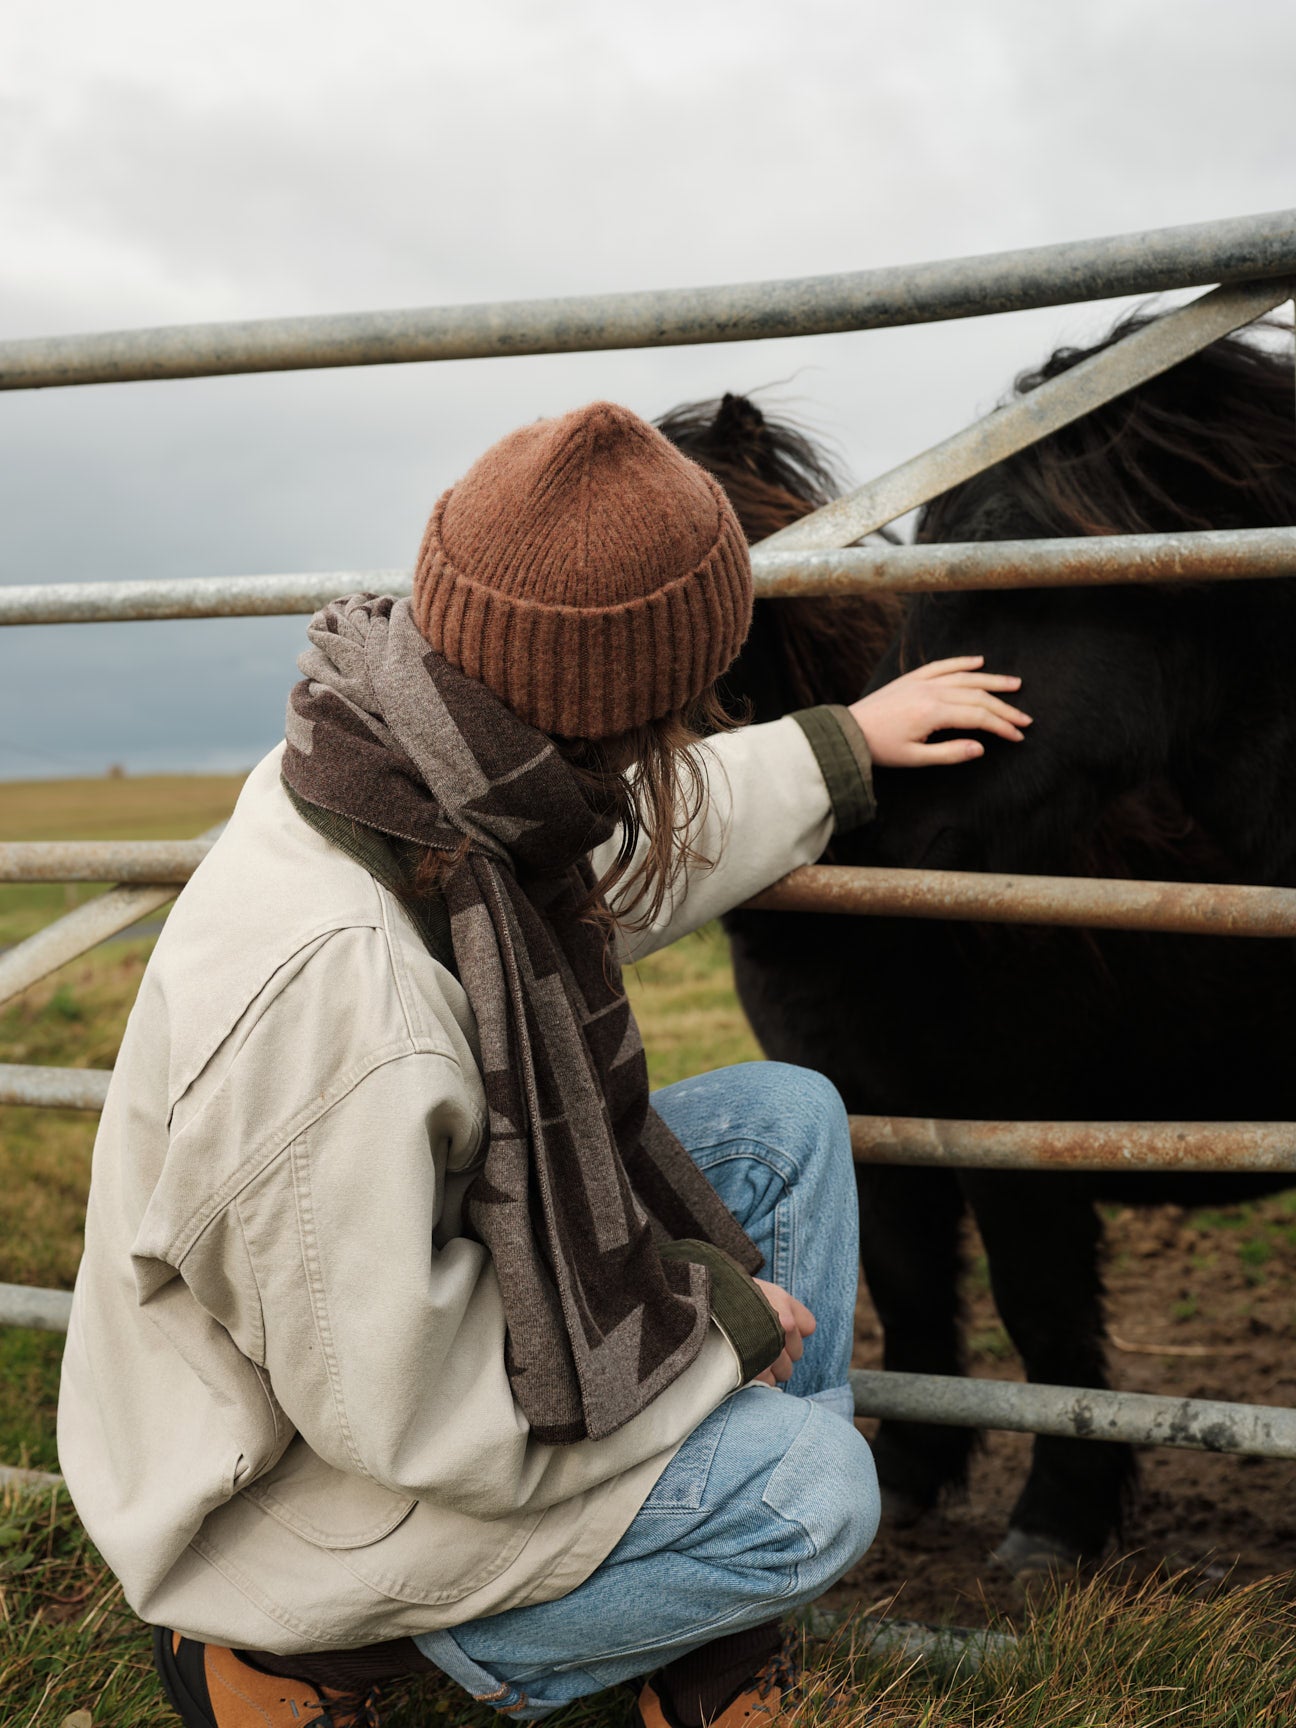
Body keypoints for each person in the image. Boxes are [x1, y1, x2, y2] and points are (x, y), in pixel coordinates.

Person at [58, 402, 1030, 1728]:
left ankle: (708, 1639)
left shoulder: (428, 772)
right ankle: (289, 1662)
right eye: (680, 711)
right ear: (618, 710)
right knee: (814, 1494)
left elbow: (629, 850)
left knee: (781, 1121)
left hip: (381, 1330)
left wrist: (840, 745)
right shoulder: (348, 994)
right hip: (281, 1482)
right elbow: (393, 1401)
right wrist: (706, 1334)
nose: (684, 742)